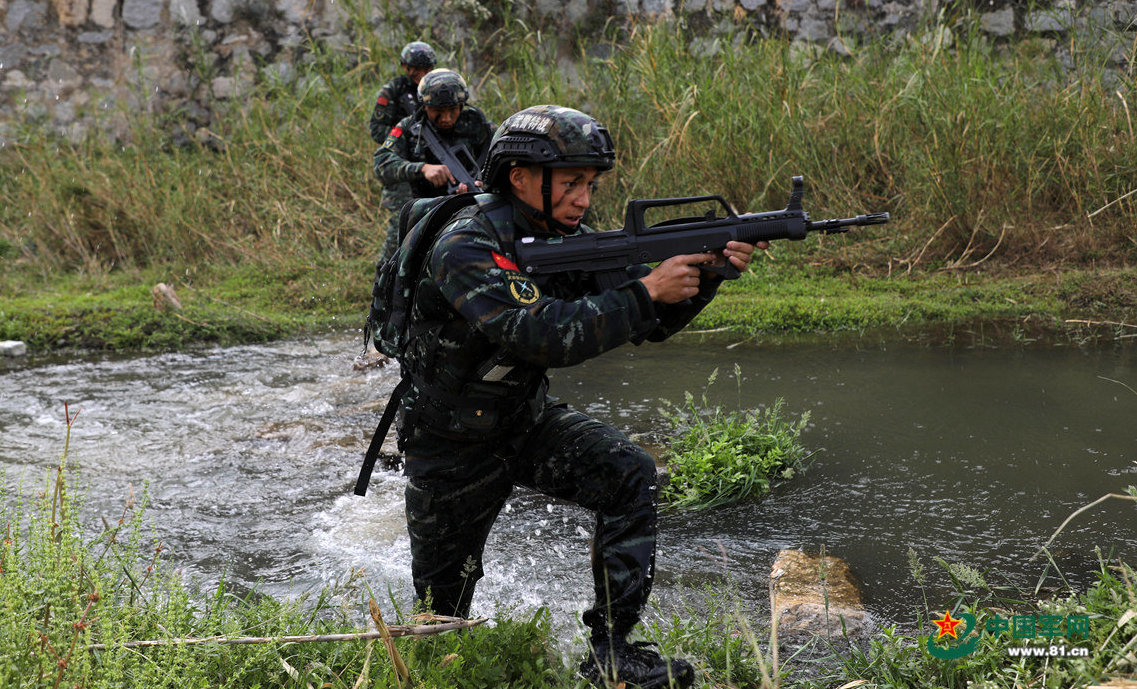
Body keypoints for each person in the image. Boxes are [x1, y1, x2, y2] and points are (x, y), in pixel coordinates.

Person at [390, 104, 761, 689]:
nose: (584, 199)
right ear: (520, 177)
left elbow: (651, 322)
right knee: (442, 621)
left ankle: (613, 651)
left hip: (523, 419)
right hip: (451, 441)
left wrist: (705, 274)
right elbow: (541, 335)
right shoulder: (464, 247)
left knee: (629, 475)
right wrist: (646, 290)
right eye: (571, 183)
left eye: (589, 184)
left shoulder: (562, 239)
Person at [372, 68, 495, 263]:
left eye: (453, 110)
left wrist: (484, 183)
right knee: (395, 260)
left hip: (470, 208)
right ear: (425, 106)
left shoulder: (476, 123)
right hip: (421, 208)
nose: (446, 118)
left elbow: (500, 154)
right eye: (438, 112)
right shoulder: (410, 128)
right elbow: (382, 163)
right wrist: (422, 169)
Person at [368, 40, 436, 263]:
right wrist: (404, 136)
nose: (421, 74)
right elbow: (376, 129)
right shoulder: (394, 90)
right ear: (406, 68)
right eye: (416, 69)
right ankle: (384, 277)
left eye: (426, 69)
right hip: (400, 167)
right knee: (400, 226)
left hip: (430, 167)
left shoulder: (435, 89)